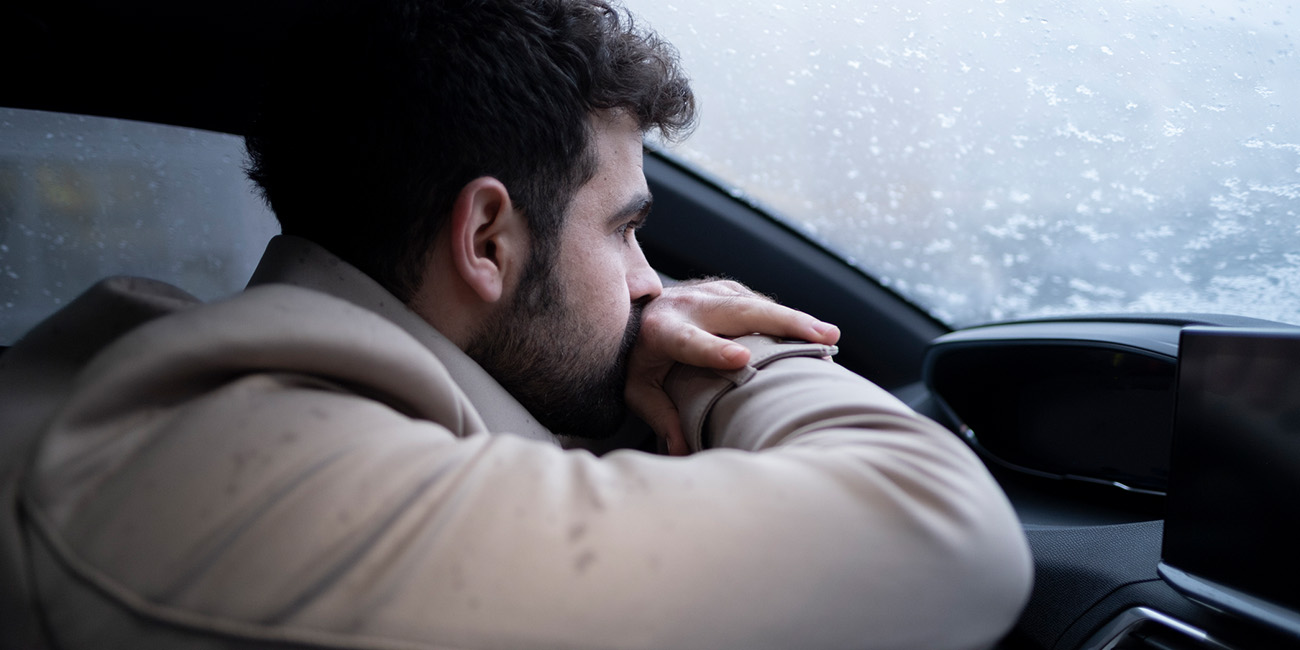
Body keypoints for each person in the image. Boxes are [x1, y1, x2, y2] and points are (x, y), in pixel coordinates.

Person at [0, 0, 1033, 648]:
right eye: (626, 232)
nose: (650, 285)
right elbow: (948, 535)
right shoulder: (242, 464)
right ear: (487, 238)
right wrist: (734, 354)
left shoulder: (280, 410)